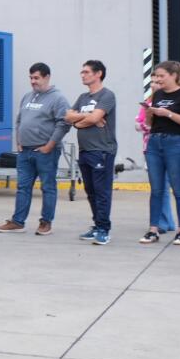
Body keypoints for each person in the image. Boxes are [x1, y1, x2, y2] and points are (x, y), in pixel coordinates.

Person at [0, 62, 71, 236]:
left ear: (47, 77)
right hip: (25, 152)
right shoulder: (28, 97)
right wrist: (19, 142)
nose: (33, 81)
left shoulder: (58, 98)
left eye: (36, 78)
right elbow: (19, 121)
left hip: (45, 152)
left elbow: (64, 124)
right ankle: (17, 222)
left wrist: (49, 146)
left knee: (47, 187)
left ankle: (46, 223)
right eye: (31, 78)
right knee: (23, 187)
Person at [138, 61, 180, 246]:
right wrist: (149, 112)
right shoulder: (158, 94)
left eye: (161, 76)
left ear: (174, 75)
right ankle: (153, 229)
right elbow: (149, 124)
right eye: (155, 76)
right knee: (156, 190)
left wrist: (168, 113)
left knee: (178, 189)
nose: (157, 79)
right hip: (155, 141)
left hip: (175, 142)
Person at [66, 60, 117, 246]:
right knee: (91, 192)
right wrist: (84, 120)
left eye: (86, 72)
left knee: (102, 192)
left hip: (102, 150)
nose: (83, 75)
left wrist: (84, 119)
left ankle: (104, 229)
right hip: (85, 150)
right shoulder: (83, 97)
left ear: (98, 74)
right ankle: (97, 225)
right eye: (82, 72)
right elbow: (68, 116)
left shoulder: (107, 95)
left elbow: (95, 117)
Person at [134, 70, 175, 234]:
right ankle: (167, 221)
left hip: (166, 147)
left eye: (157, 81)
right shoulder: (149, 101)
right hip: (149, 148)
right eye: (152, 81)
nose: (154, 84)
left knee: (161, 188)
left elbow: (146, 125)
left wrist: (147, 124)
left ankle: (163, 222)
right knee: (160, 187)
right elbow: (139, 123)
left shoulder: (169, 101)